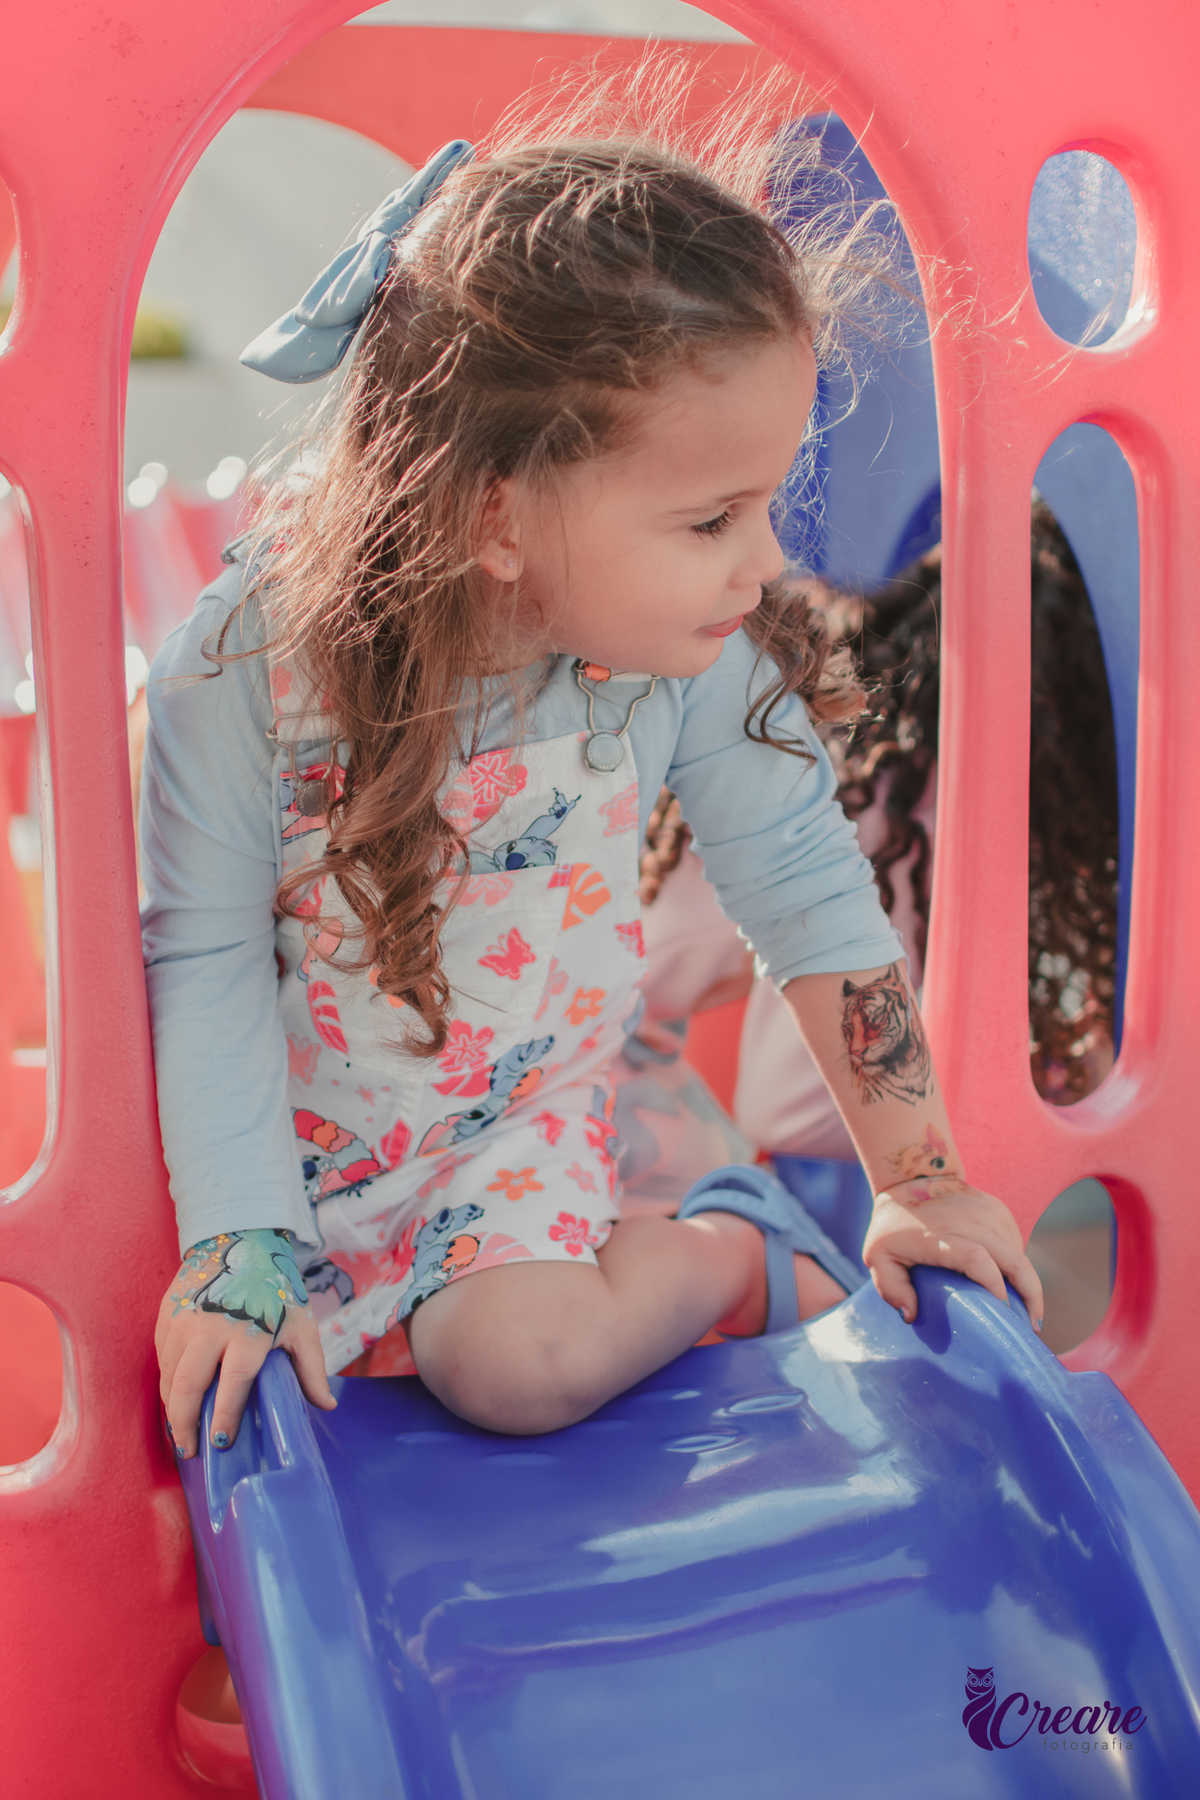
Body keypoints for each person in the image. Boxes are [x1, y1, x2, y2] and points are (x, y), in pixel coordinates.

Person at [147, 114, 1042, 1460]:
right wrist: (240, 1238)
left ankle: (729, 1254)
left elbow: (809, 901)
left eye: (764, 505)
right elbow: (204, 950)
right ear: (498, 516)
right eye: (708, 520)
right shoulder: (239, 666)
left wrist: (922, 1180)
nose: (761, 565)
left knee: (512, 1367)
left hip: (517, 1137)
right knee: (231, 1406)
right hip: (293, 1143)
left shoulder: (678, 659)